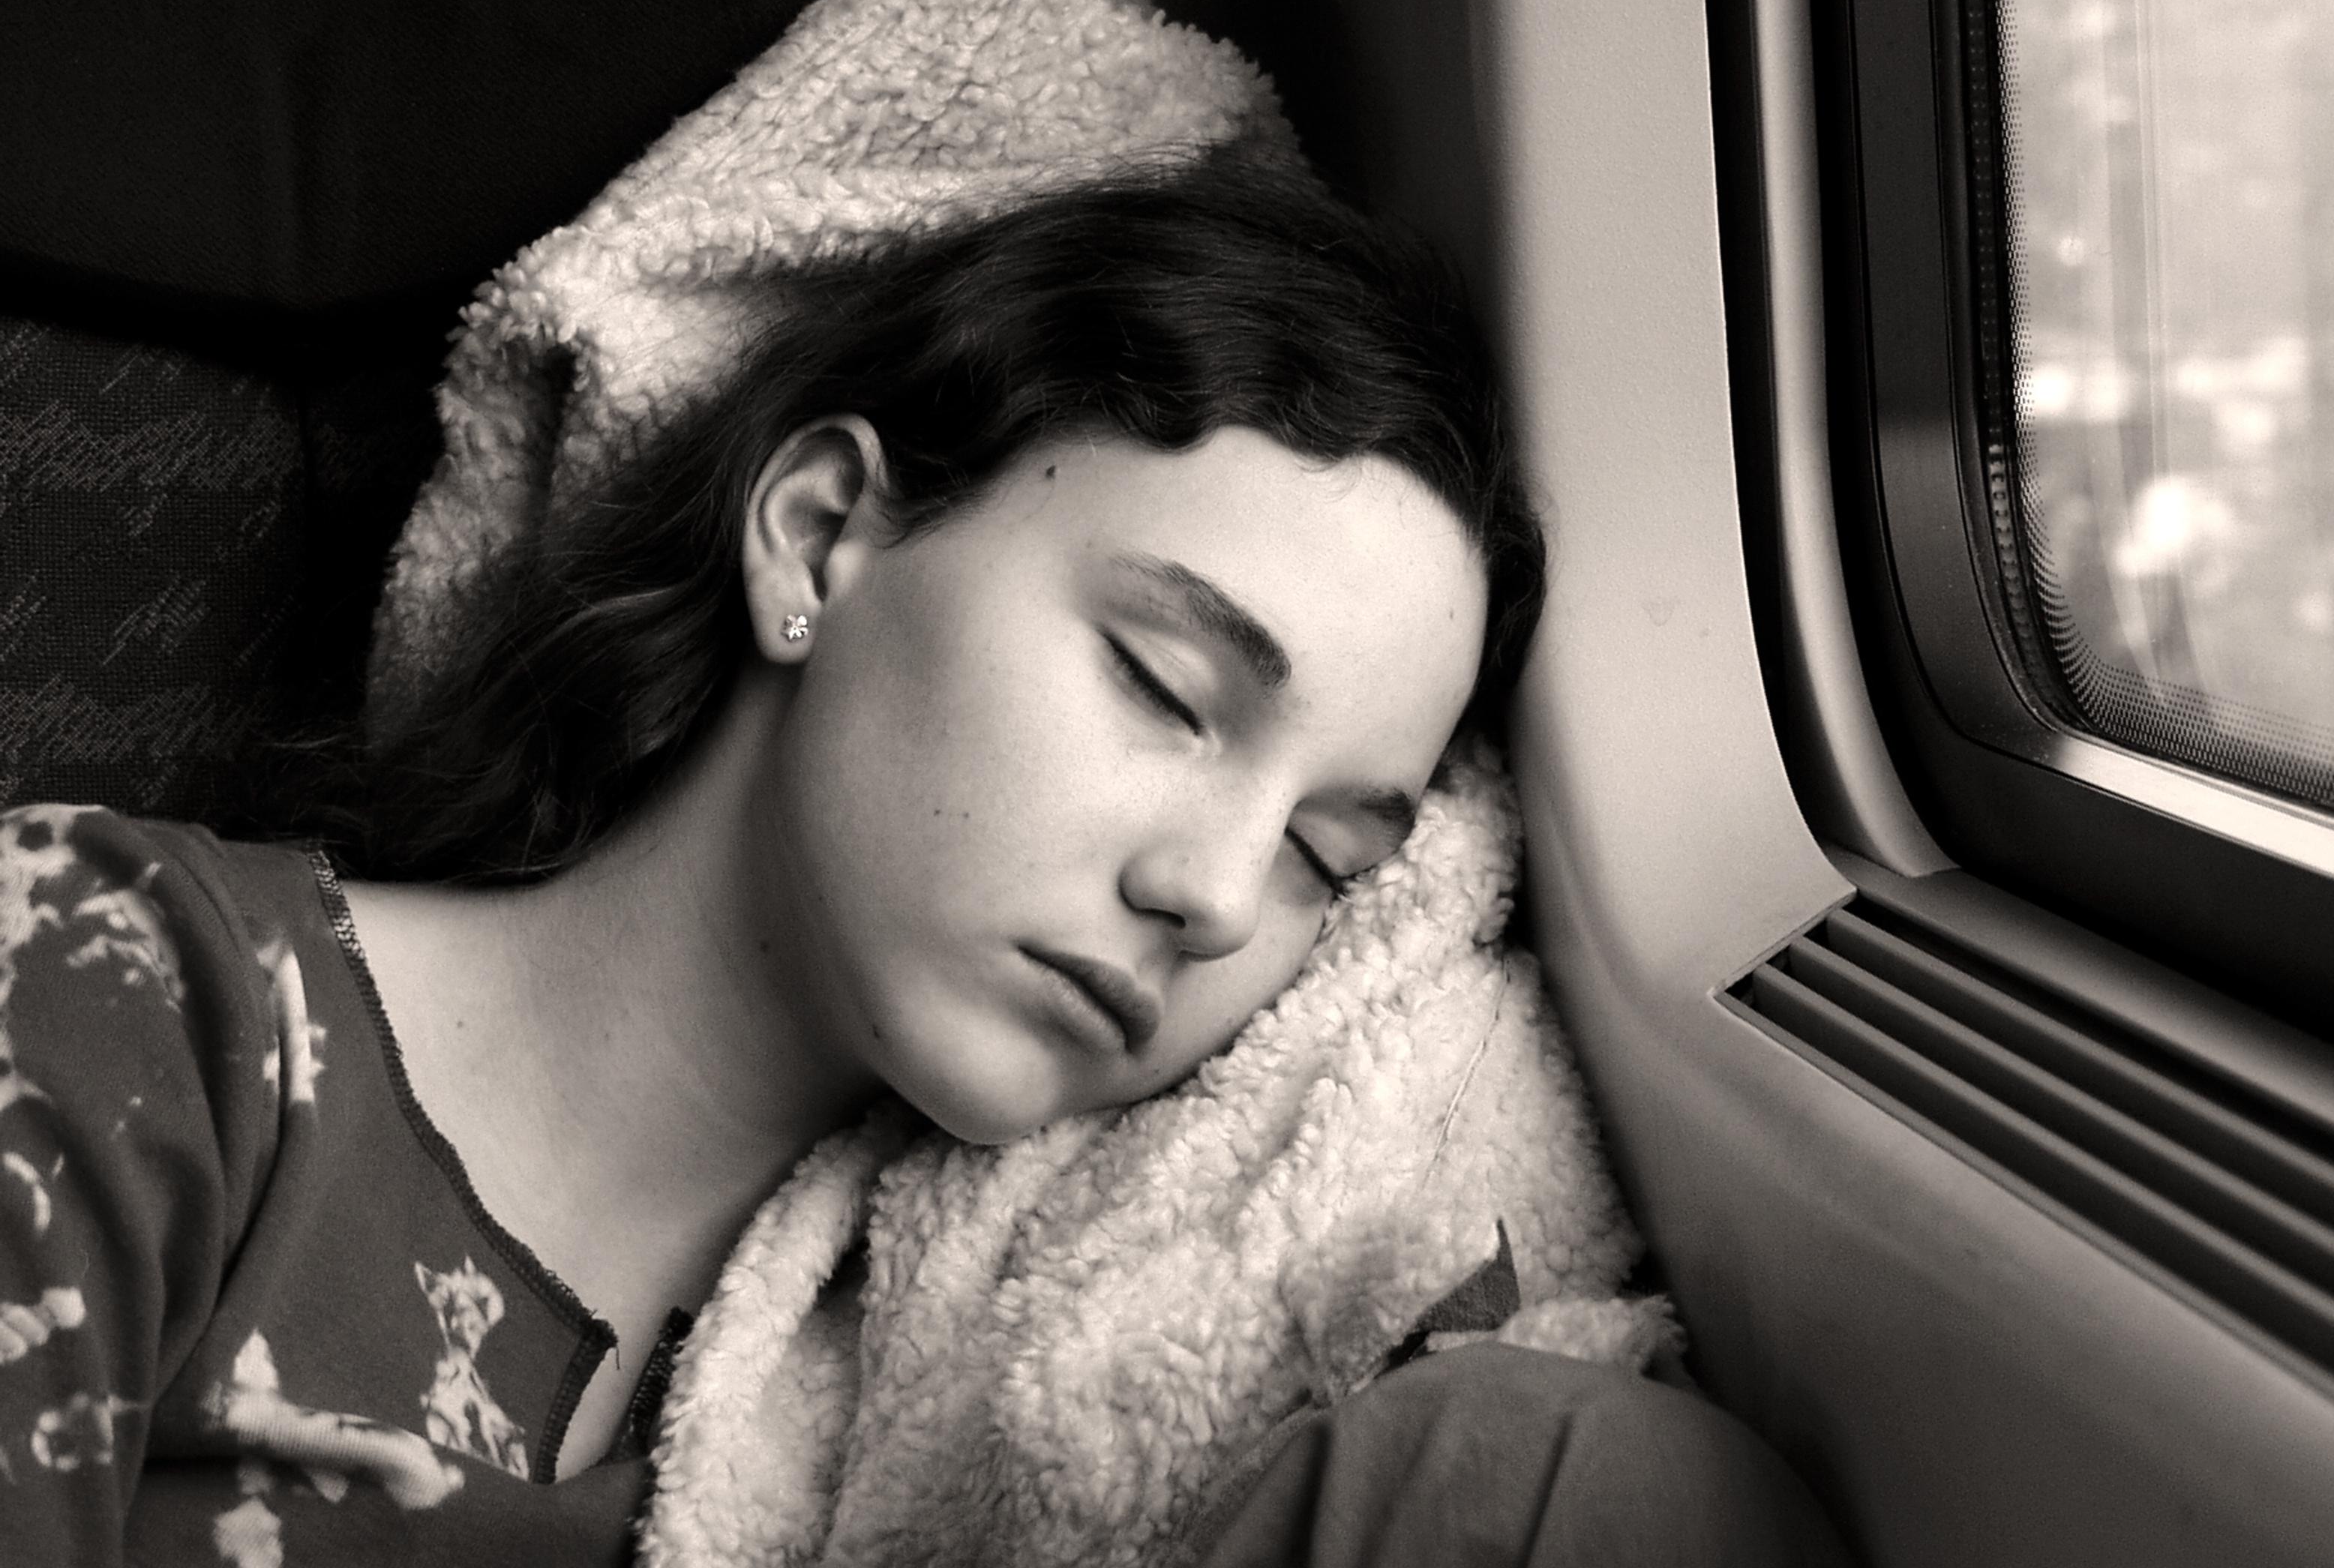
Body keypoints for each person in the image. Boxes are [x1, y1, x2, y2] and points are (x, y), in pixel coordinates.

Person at [0, 151, 1844, 1564]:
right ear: (821, 538)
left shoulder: (944, 1385)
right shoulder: (115, 995)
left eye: (1322, 855)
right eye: (1165, 688)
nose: (1216, 896)